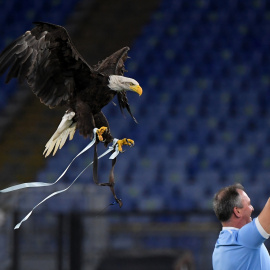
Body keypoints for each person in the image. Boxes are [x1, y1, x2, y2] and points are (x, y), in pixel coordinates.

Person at [212, 183, 270, 269]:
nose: (252, 208)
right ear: (237, 211)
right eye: (249, 204)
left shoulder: (218, 249)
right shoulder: (242, 240)